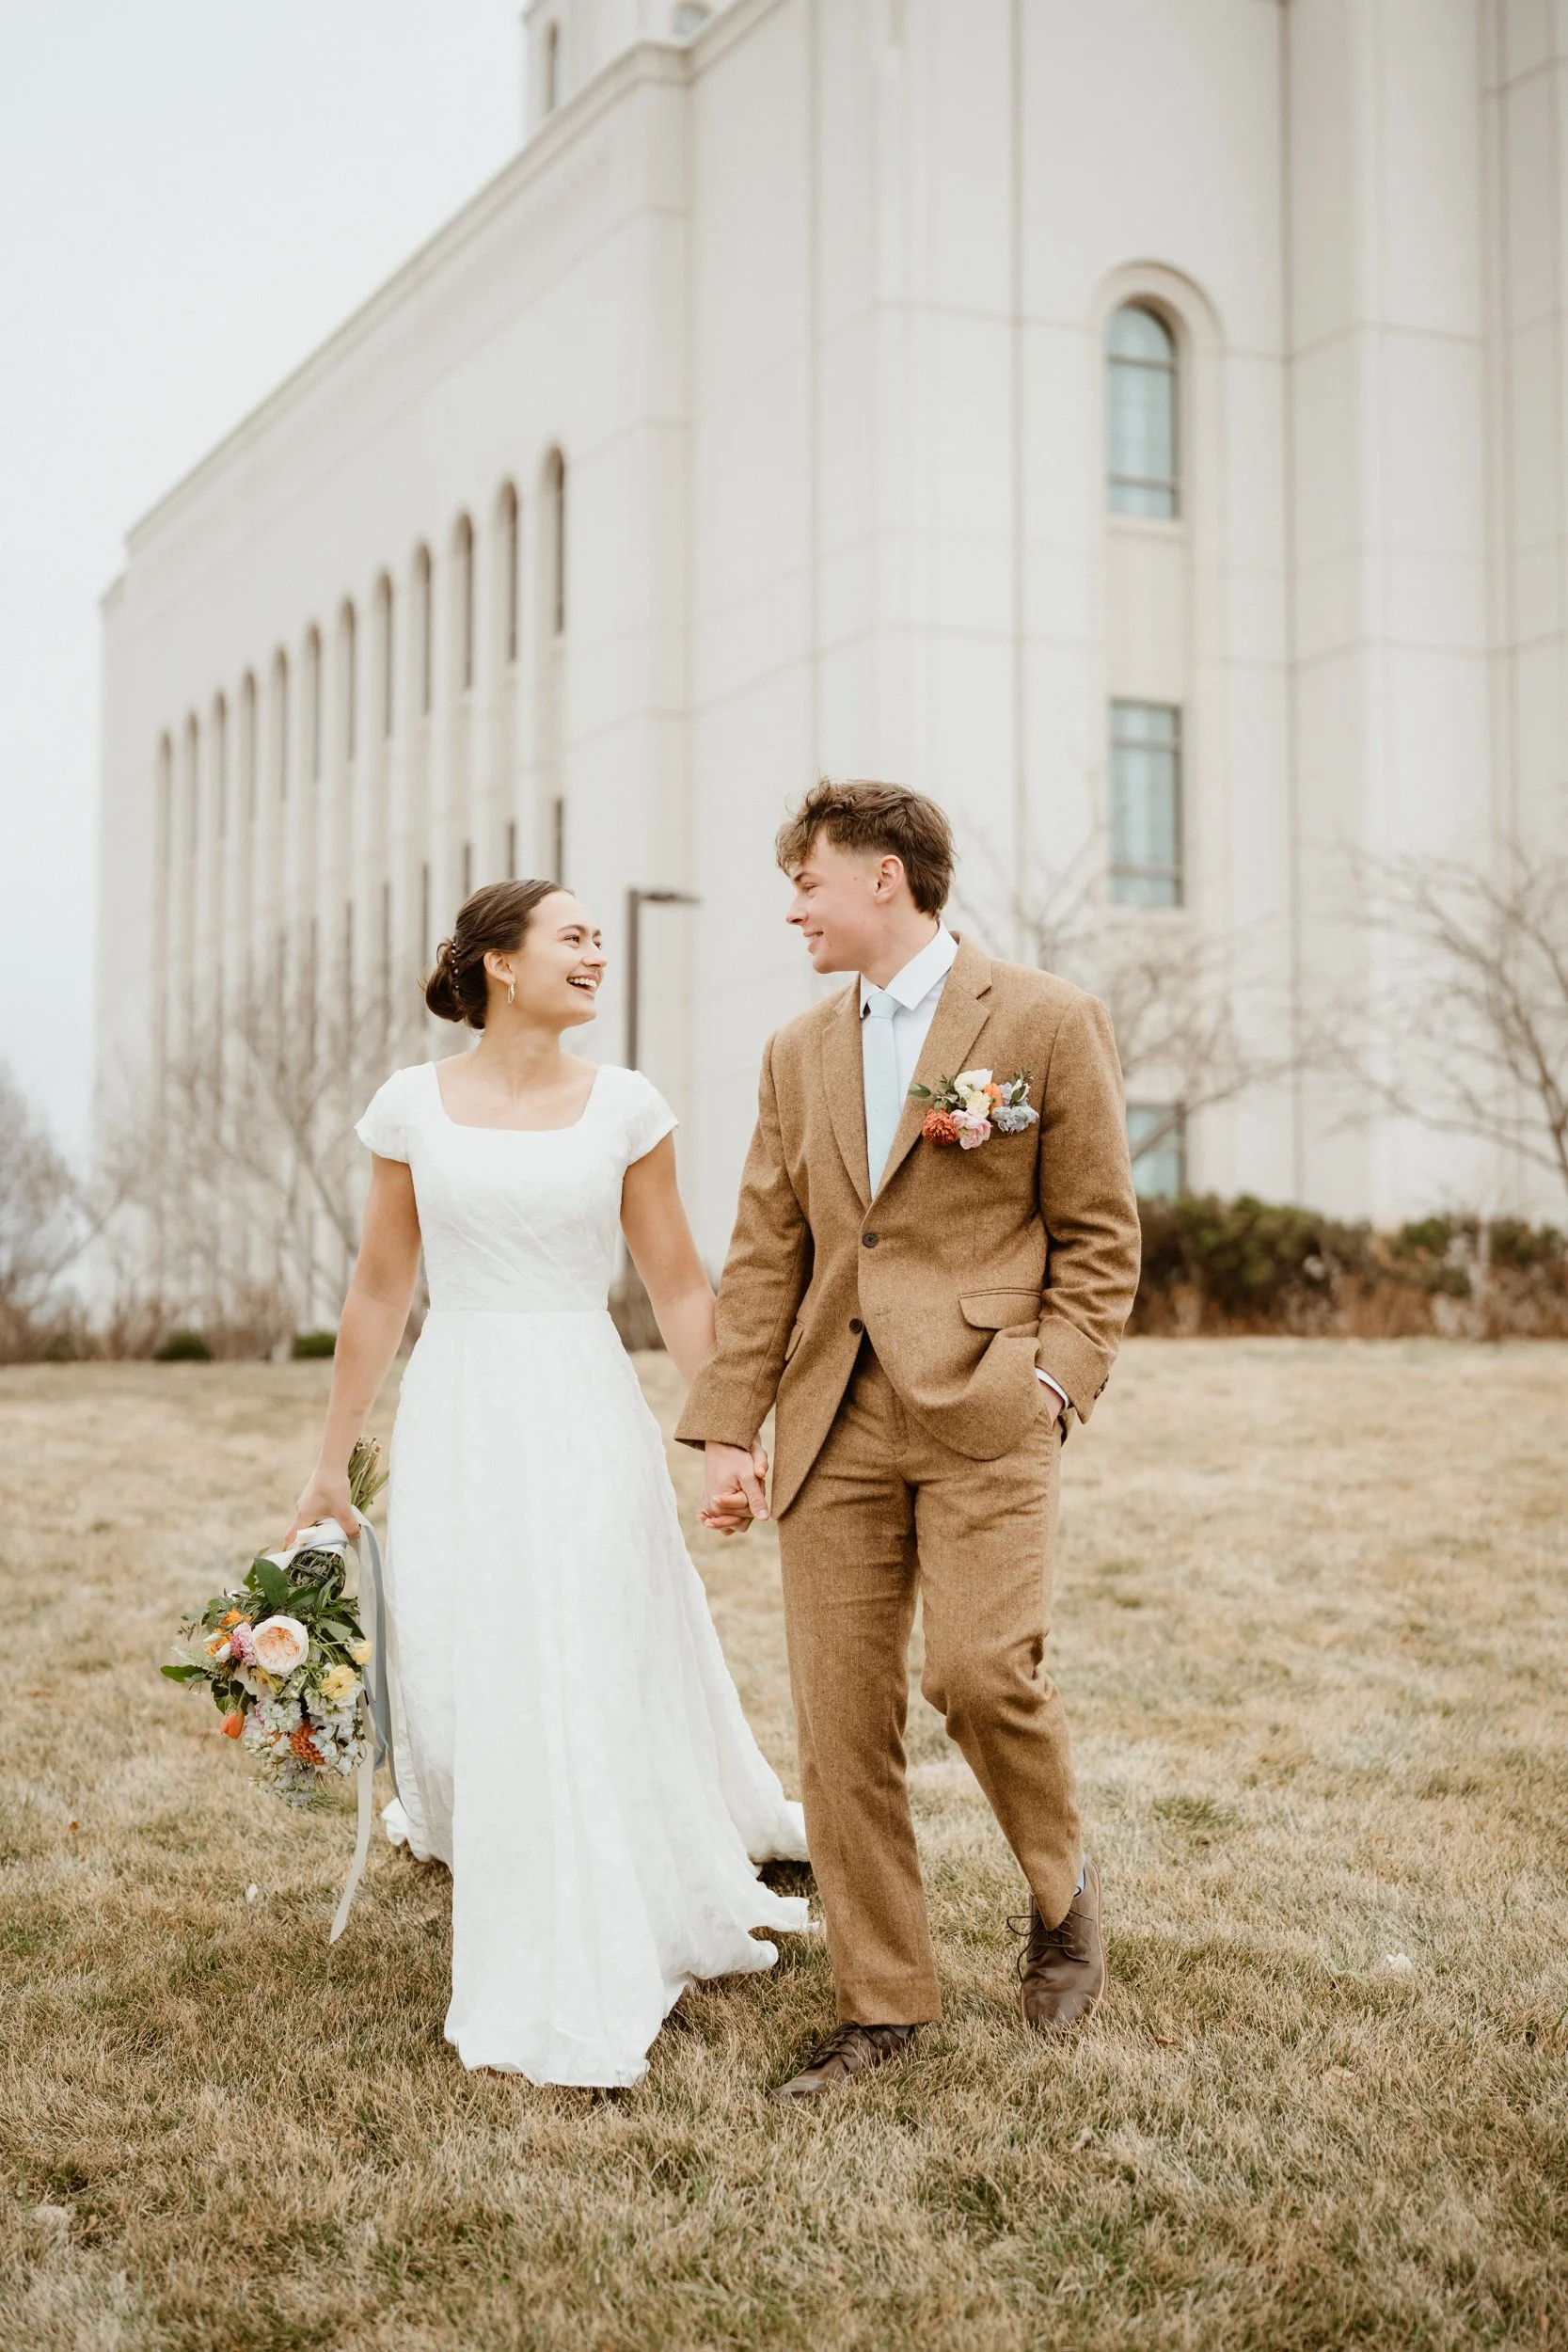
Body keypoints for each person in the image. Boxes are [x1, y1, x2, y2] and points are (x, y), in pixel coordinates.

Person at [287, 879, 808, 2088]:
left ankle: (600, 1894)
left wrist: (729, 1429)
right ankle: (518, 1845)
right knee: (477, 1650)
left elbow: (676, 1281)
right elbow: (377, 1289)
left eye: (598, 938)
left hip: (580, 1398)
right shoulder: (410, 1106)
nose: (596, 954)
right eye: (571, 937)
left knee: (585, 1632)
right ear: (498, 965)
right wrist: (329, 1460)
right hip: (463, 1400)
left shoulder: (626, 1104)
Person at [680, 779, 1141, 2103]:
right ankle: (880, 2006)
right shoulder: (793, 1052)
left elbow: (1099, 1231)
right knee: (838, 1726)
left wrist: (1053, 1382)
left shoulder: (1046, 1023)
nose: (792, 909)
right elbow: (767, 1250)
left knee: (981, 1676)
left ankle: (1060, 1896)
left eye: (807, 882)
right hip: (831, 1414)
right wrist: (727, 1427)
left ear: (883, 877)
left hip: (989, 1402)